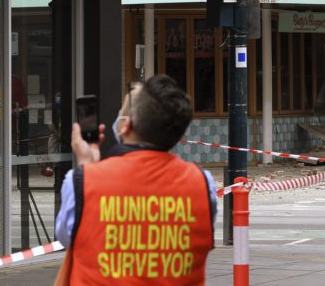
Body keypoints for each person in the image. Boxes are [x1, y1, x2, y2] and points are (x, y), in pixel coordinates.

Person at [54, 75, 217, 284]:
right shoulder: (203, 184)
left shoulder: (81, 181)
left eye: (120, 114)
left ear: (126, 126)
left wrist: (86, 164)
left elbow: (69, 240)